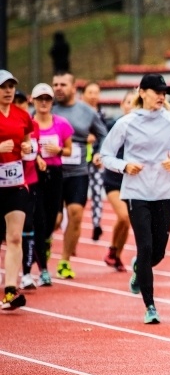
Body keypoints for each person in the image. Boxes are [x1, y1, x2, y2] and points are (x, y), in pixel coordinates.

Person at [100, 74, 170, 324]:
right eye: (156, 91)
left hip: (166, 192)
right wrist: (124, 166)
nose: (161, 96)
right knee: (145, 247)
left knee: (158, 253)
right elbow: (106, 155)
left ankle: (138, 271)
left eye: (164, 92)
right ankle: (150, 306)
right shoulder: (126, 123)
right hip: (137, 193)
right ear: (141, 92)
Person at [51, 71, 107, 279]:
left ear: (74, 88)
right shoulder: (48, 108)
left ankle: (64, 260)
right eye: (55, 84)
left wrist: (100, 152)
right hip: (52, 172)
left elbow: (104, 135)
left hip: (78, 172)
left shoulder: (87, 112)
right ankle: (45, 243)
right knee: (53, 220)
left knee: (75, 214)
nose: (58, 88)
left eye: (63, 84)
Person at [31, 83, 74, 286]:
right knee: (38, 220)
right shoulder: (29, 124)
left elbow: (69, 150)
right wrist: (36, 156)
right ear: (34, 101)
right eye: (40, 99)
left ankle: (43, 245)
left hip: (55, 174)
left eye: (47, 99)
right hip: (34, 175)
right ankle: (43, 270)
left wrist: (57, 149)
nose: (44, 103)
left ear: (52, 102)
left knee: (53, 220)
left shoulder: (62, 124)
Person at [0, 70, 34, 310]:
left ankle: (10, 290)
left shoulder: (23, 115)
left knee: (14, 237)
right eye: (4, 87)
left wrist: (27, 148)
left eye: (11, 86)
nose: (9, 91)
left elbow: (29, 141)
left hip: (15, 183)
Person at [13, 87, 49, 291]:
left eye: (22, 103)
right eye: (16, 103)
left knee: (27, 228)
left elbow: (32, 149)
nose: (19, 106)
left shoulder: (31, 123)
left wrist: (34, 154)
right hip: (6, 184)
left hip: (28, 181)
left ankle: (26, 273)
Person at [102, 90, 136, 272]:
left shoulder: (141, 128)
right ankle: (112, 250)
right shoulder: (113, 126)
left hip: (131, 181)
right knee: (123, 217)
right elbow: (103, 143)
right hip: (113, 179)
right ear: (122, 105)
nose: (131, 105)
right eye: (128, 102)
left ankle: (115, 254)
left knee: (127, 221)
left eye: (134, 102)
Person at [81, 81, 106, 241]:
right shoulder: (77, 112)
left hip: (95, 159)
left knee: (97, 192)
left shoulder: (102, 114)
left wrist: (100, 153)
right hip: (78, 161)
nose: (93, 96)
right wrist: (85, 138)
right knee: (78, 196)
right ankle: (72, 226)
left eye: (96, 92)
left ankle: (96, 224)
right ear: (83, 95)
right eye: (90, 92)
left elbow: (105, 136)